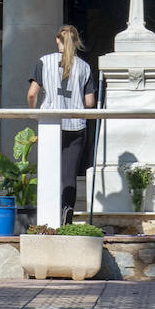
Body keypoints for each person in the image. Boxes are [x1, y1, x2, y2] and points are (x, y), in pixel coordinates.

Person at [27, 24, 95, 225]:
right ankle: (67, 218)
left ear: (57, 40)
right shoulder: (84, 66)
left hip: (50, 122)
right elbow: (89, 102)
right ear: (75, 42)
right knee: (69, 174)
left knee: (49, 171)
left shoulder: (44, 61)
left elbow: (32, 93)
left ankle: (47, 218)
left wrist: (34, 113)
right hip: (75, 125)